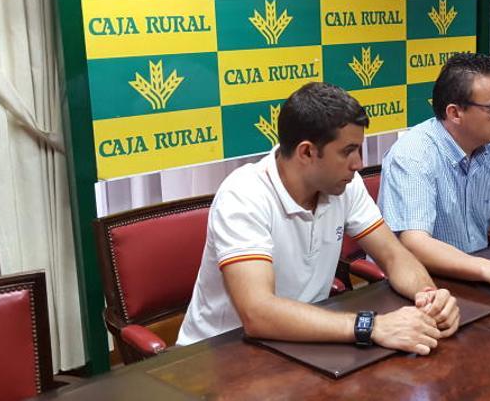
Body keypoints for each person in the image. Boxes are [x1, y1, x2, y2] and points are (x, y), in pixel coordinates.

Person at [177, 82, 459, 355]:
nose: (358, 164)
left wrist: (430, 298)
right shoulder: (244, 194)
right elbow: (257, 313)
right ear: (307, 152)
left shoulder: (345, 183)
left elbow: (394, 255)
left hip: (302, 341)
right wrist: (370, 325)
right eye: (348, 151)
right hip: (218, 355)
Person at [379, 53, 490, 296]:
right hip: (421, 286)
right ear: (454, 113)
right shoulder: (413, 156)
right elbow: (415, 245)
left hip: (476, 279)